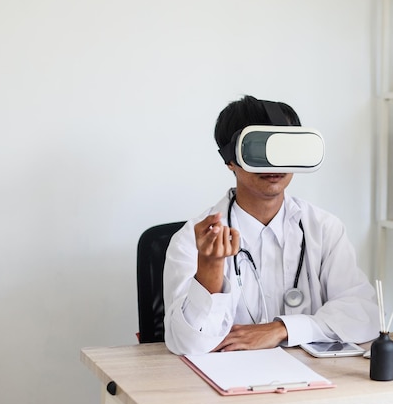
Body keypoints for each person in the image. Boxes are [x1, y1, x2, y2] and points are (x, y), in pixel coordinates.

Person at [163, 95, 380, 355]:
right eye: (258, 149)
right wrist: (210, 269)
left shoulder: (323, 228)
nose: (274, 163)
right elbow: (187, 344)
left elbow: (364, 313)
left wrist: (283, 329)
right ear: (230, 159)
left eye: (283, 150)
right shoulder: (191, 240)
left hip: (311, 380)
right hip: (227, 381)